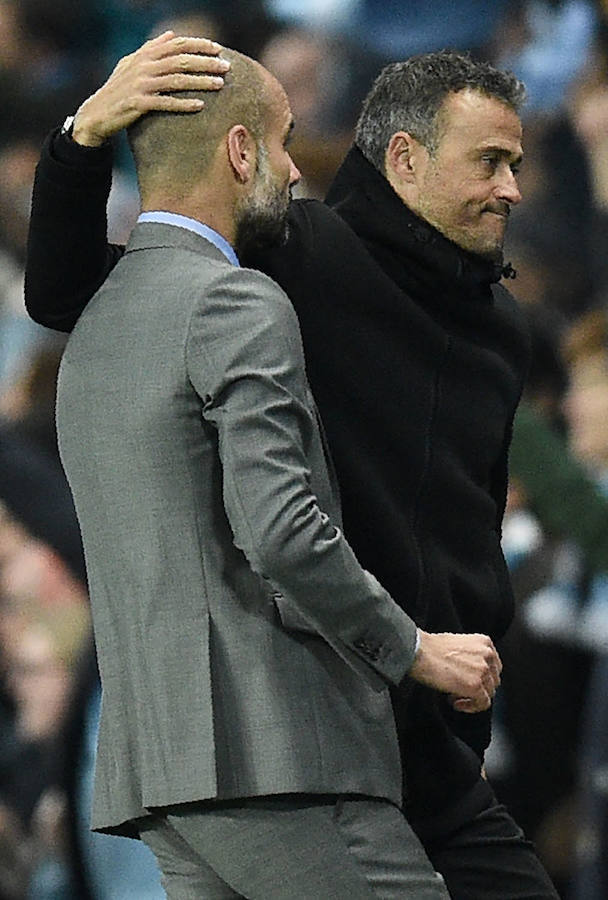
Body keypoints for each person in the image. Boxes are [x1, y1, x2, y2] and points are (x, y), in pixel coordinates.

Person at [24, 33, 558, 898]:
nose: (512, 188)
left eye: (517, 163)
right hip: (315, 718)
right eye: (490, 160)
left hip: (425, 731)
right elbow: (71, 290)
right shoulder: (286, 258)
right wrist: (82, 139)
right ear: (407, 158)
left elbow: (470, 521)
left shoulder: (504, 330)